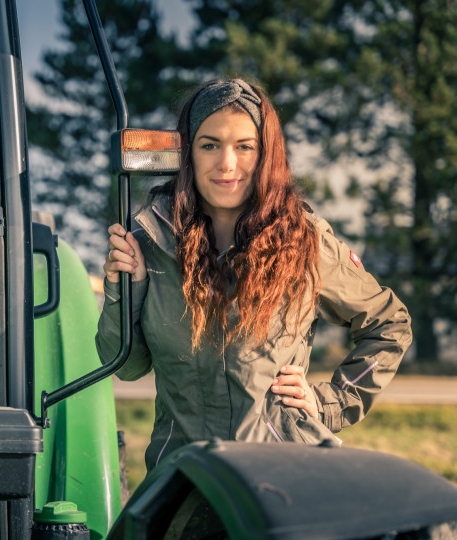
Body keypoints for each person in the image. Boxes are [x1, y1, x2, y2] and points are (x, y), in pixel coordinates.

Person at [95, 78, 413, 473]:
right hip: (183, 481)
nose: (227, 164)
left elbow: (390, 324)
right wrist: (127, 286)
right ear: (187, 153)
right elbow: (124, 365)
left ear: (266, 155)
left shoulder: (304, 241)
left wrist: (331, 400)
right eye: (209, 145)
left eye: (244, 147)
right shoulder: (149, 242)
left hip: (282, 476)